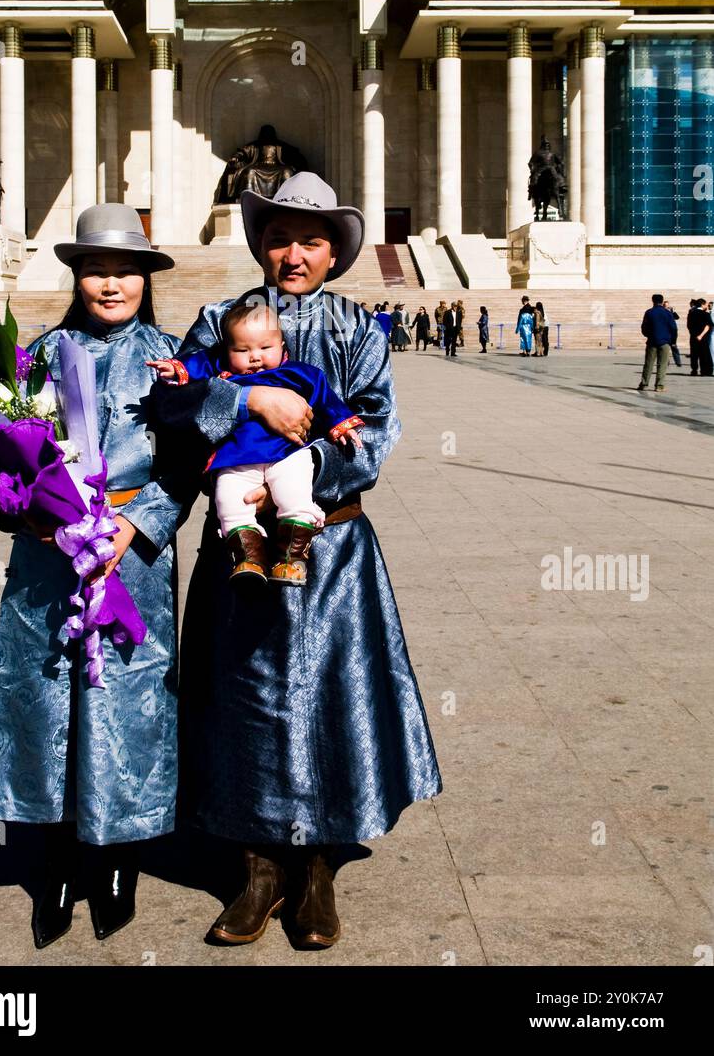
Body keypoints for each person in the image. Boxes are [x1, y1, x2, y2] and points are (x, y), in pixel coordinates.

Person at [150, 172, 442, 950]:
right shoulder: (219, 319)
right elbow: (173, 413)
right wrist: (246, 402)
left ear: (334, 251)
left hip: (331, 546)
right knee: (245, 696)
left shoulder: (357, 327)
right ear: (260, 244)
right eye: (279, 237)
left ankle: (313, 865)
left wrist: (303, 468)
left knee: (325, 698)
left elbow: (376, 430)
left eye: (310, 240)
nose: (293, 253)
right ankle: (257, 866)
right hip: (239, 544)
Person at [0, 204, 181, 950]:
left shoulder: (172, 356)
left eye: (125, 270)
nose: (111, 283)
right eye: (97, 269)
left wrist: (139, 521)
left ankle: (118, 856)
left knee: (128, 700)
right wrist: (24, 511)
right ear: (77, 275)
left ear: (145, 278)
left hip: (132, 556)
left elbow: (189, 465)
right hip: (48, 556)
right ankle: (56, 859)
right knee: (48, 695)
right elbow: (6, 456)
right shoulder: (38, 356)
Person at [147, 298, 363, 585]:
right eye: (242, 350)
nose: (255, 357)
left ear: (283, 348)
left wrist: (341, 424)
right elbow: (197, 365)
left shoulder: (297, 373)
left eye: (265, 348)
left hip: (287, 452)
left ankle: (292, 558)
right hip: (236, 457)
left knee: (294, 495)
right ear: (227, 352)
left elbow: (325, 397)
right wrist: (177, 369)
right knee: (229, 503)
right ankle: (249, 558)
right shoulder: (224, 370)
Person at [638, 293, 678, 393]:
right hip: (665, 342)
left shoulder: (649, 312)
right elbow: (674, 328)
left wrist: (648, 335)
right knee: (662, 365)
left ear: (653, 300)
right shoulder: (668, 313)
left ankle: (644, 384)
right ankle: (659, 385)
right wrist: (673, 341)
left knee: (648, 364)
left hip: (652, 341)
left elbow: (644, 328)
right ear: (662, 300)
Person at [687, 299, 713, 377]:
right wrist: (701, 335)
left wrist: (694, 334)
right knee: (704, 354)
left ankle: (694, 370)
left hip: (693, 337)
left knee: (694, 354)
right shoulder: (705, 314)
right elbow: (708, 326)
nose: (706, 306)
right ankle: (704, 371)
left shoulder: (691, 313)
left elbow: (689, 326)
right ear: (702, 304)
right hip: (703, 337)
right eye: (705, 304)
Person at [664, 300, 682, 367]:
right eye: (665, 306)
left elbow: (677, 317)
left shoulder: (671, 312)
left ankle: (678, 362)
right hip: (665, 332)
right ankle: (666, 362)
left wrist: (673, 311)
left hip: (672, 333)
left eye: (667, 306)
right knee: (665, 349)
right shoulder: (663, 312)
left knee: (674, 347)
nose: (666, 307)